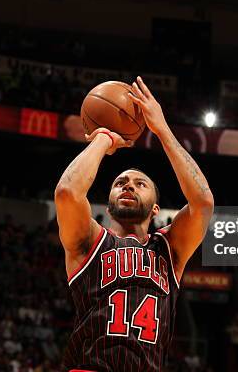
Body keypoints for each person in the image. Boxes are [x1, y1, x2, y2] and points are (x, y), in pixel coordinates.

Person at [55, 76, 214, 372]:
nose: (128, 186)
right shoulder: (90, 241)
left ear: (155, 208)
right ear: (110, 200)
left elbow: (203, 202)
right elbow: (67, 193)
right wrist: (105, 137)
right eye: (120, 183)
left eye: (140, 183)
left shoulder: (169, 249)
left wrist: (162, 129)